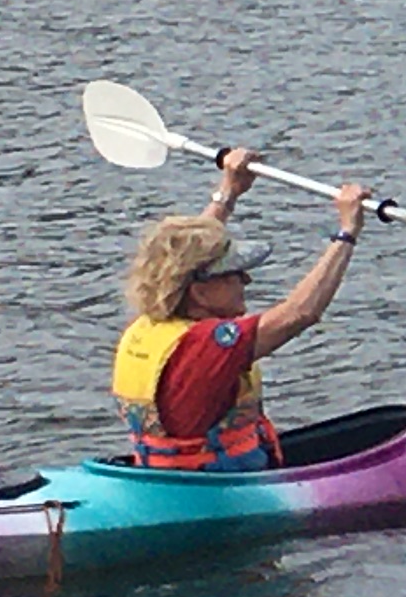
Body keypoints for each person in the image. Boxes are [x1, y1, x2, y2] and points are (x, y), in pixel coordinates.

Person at [112, 148, 376, 470]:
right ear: (199, 291)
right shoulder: (207, 346)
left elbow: (185, 250)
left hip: (165, 474)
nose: (246, 280)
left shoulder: (152, 324)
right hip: (216, 487)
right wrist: (347, 231)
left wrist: (229, 191)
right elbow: (299, 313)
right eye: (233, 273)